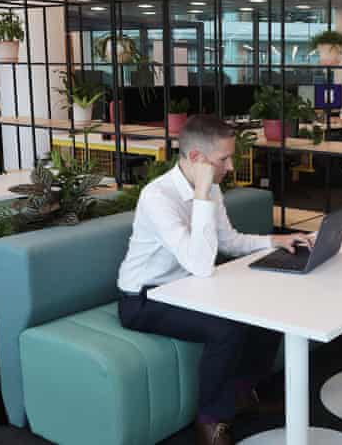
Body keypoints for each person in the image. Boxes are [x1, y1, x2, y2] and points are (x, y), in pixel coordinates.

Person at [117, 115, 312, 445]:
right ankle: (209, 421)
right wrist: (203, 194)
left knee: (269, 308)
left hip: (187, 287)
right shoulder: (158, 197)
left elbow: (229, 241)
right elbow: (201, 264)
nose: (231, 166)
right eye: (224, 159)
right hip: (144, 298)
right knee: (227, 327)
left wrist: (275, 241)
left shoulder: (213, 189)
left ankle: (240, 393)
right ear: (196, 159)